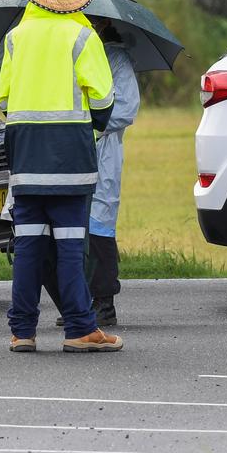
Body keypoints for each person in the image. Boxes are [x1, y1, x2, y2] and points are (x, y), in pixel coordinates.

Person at [0, 0, 122, 353]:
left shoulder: (16, 37)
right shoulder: (83, 36)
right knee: (70, 246)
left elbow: (3, 98)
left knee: (29, 247)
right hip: (69, 157)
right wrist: (92, 128)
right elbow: (104, 100)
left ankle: (22, 332)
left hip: (25, 155)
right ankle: (80, 329)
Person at [85, 20, 139, 326]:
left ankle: (103, 302)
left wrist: (87, 121)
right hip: (74, 152)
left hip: (102, 153)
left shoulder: (115, 58)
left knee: (99, 226)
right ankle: (78, 301)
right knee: (72, 230)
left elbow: (126, 109)